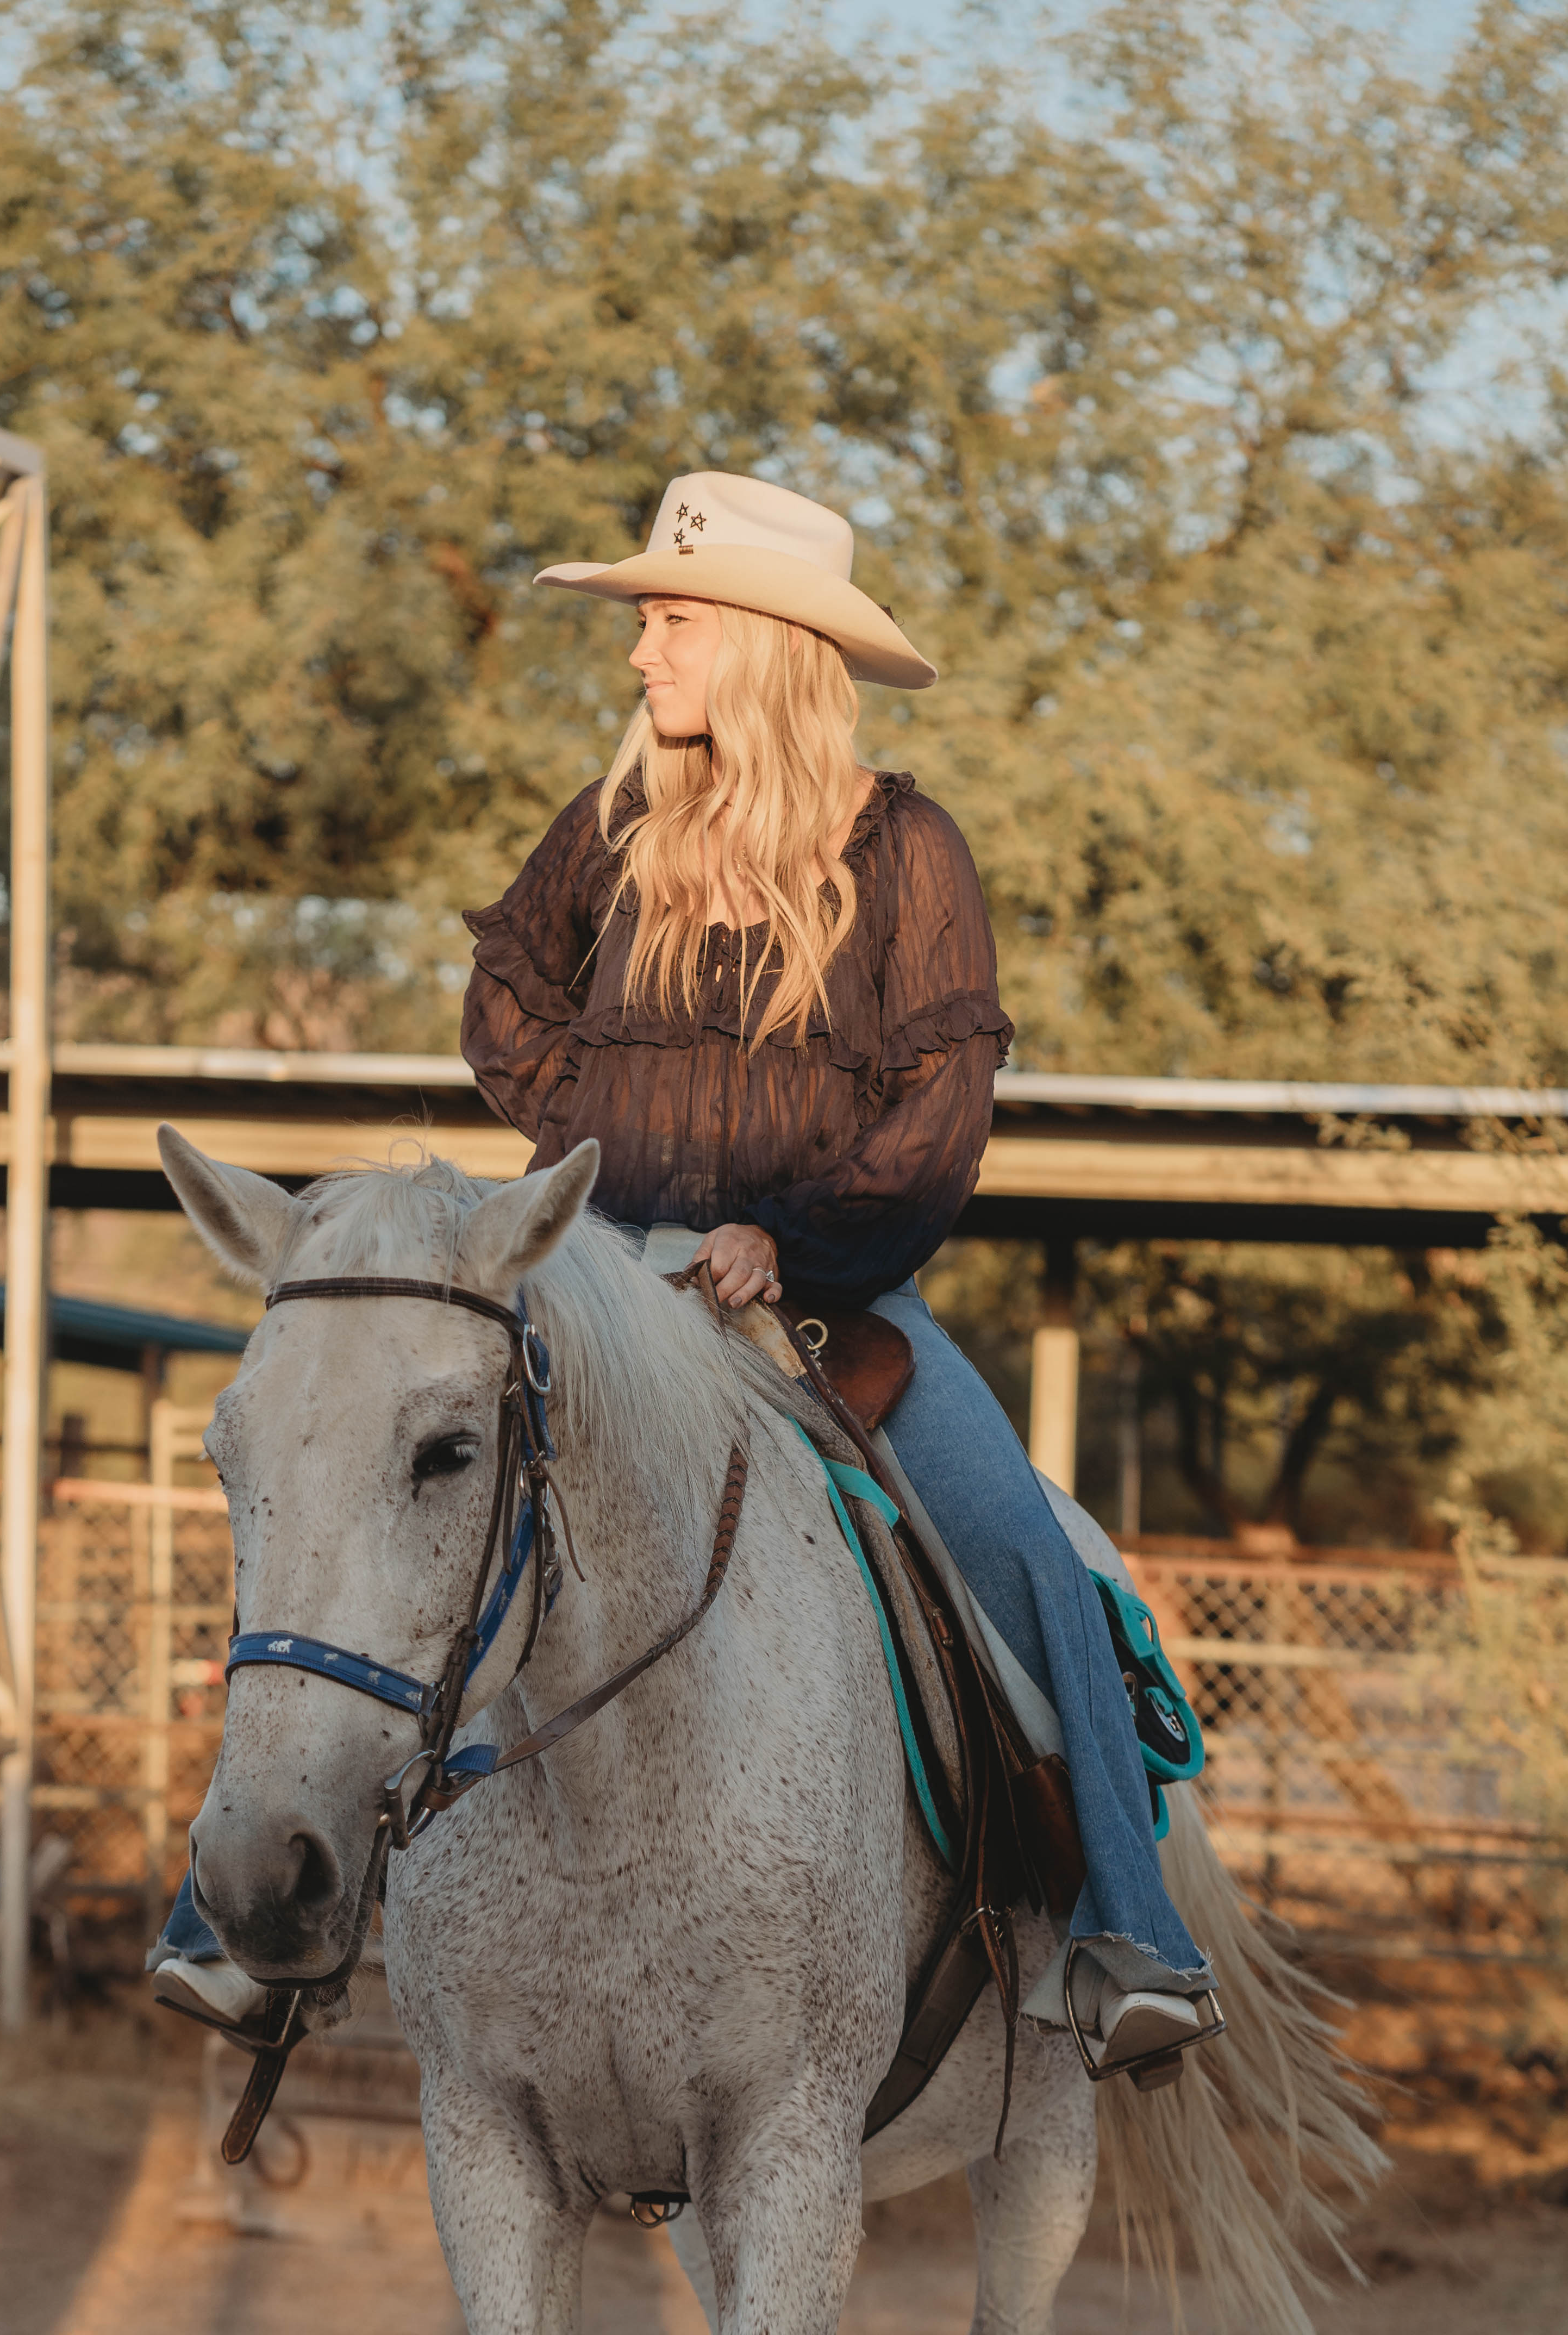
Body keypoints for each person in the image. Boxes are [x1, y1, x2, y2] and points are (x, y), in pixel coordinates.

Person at [153, 469, 1211, 2074]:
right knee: (378, 1477)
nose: (642, 652)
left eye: (670, 620)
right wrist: (604, 1161)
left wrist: (790, 1228)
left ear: (765, 645)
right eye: (645, 620)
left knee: (1019, 1545)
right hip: (589, 1280)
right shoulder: (608, 831)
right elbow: (502, 1004)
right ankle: (232, 1917)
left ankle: (1127, 1932)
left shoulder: (906, 848)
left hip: (821, 1299)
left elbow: (938, 1117)